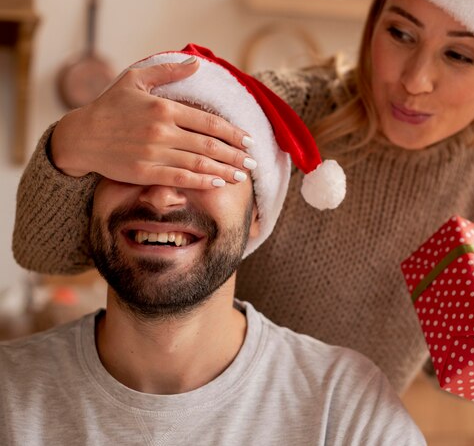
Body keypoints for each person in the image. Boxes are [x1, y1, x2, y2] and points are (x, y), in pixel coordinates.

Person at [11, 0, 474, 444]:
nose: (414, 79)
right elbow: (44, 249)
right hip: (213, 414)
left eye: (458, 54)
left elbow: (444, 354)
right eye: (399, 33)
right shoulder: (281, 119)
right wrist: (72, 141)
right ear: (372, 20)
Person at [1, 45, 427, 446]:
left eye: (207, 166)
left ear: (258, 212)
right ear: (90, 198)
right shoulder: (10, 401)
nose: (162, 196)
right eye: (134, 162)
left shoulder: (347, 413)